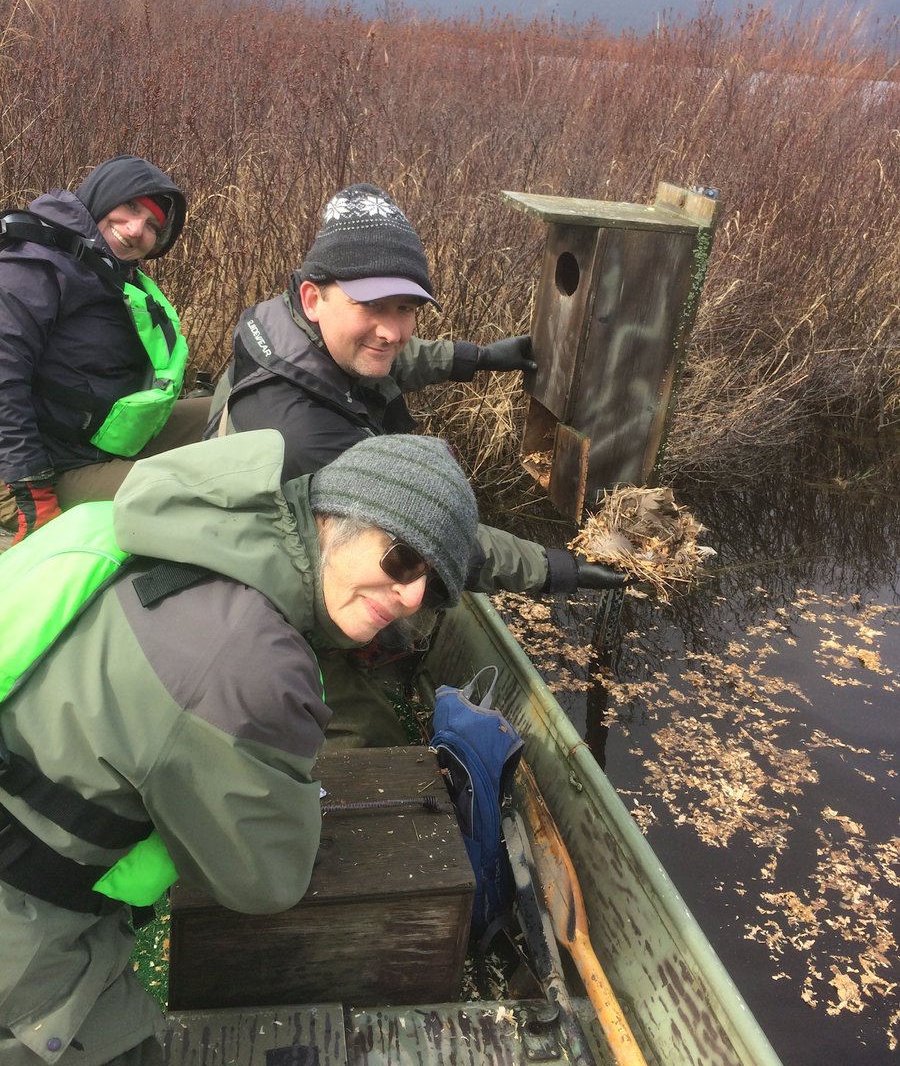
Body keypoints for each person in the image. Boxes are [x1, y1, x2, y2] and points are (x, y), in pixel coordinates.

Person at [0, 429, 478, 1066]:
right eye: (401, 559)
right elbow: (265, 880)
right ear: (335, 517)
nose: (413, 596)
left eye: (435, 588)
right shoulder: (251, 664)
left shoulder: (129, 520)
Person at [206, 182, 625, 744]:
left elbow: (371, 359)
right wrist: (554, 569)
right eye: (374, 307)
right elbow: (437, 542)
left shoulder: (287, 330)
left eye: (406, 309)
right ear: (314, 297)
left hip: (270, 525)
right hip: (268, 598)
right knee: (373, 733)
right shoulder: (302, 436)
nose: (393, 329)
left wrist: (475, 358)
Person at [0, 154, 212, 544]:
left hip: (98, 441)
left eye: (153, 227)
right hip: (35, 473)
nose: (135, 231)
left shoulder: (102, 267)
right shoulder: (33, 265)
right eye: (130, 207)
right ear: (102, 195)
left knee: (232, 413)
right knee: (197, 498)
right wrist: (35, 496)